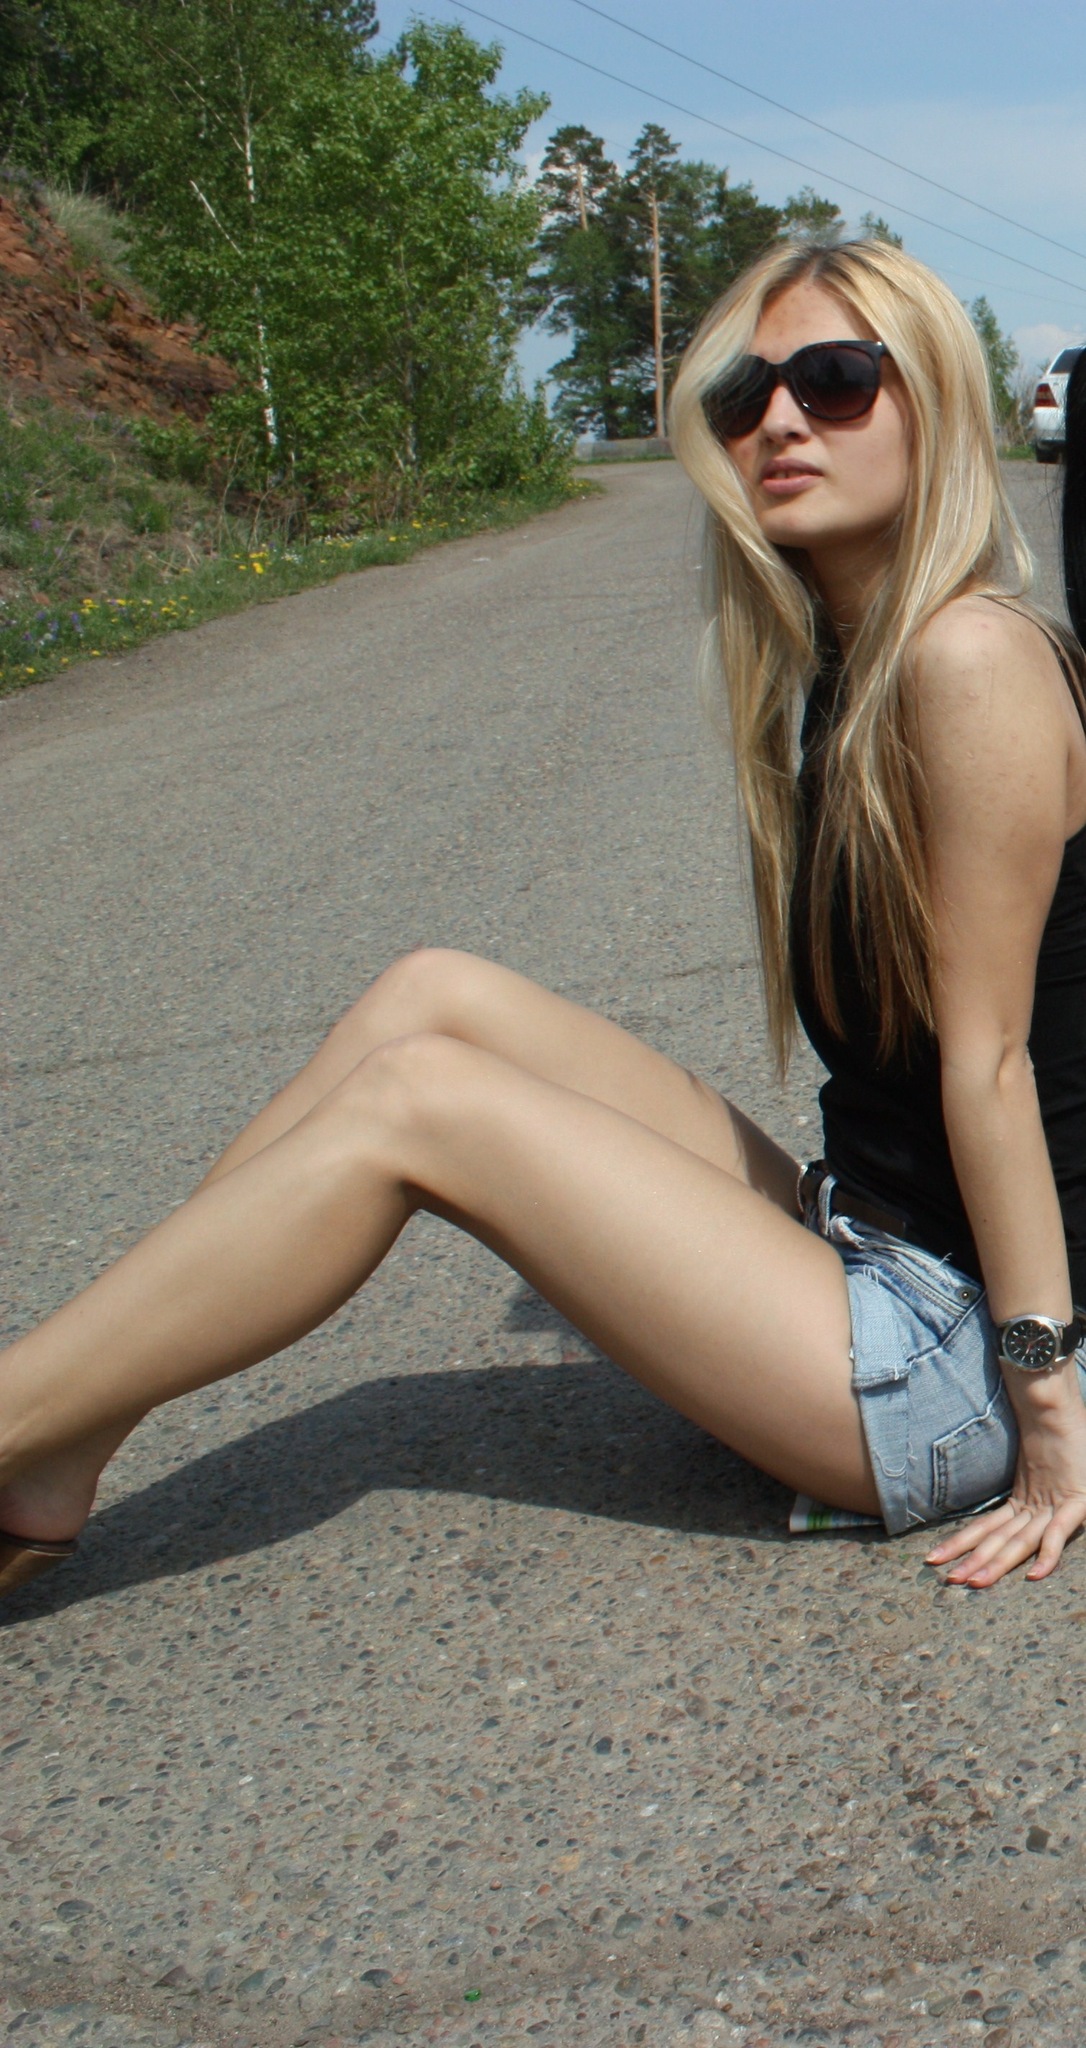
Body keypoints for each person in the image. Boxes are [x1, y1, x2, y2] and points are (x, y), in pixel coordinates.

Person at [5, 238, 1086, 1606]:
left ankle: (16, 1425)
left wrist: (1048, 1415)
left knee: (421, 1104)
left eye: (832, 378)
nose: (779, 420)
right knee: (431, 992)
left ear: (933, 402)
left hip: (961, 1355)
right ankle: (73, 1428)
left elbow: (990, 1064)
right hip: (868, 1240)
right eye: (743, 394)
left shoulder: (968, 656)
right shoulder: (848, 663)